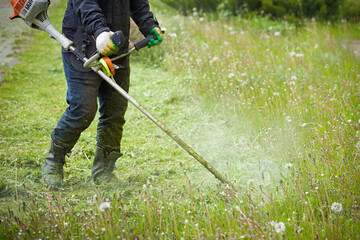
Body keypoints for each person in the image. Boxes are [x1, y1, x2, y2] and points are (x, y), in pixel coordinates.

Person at [42, 0, 163, 188]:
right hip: (83, 45)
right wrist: (100, 32)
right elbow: (85, 3)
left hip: (117, 45)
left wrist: (149, 25)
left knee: (115, 110)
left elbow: (138, 2)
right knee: (82, 110)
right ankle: (54, 162)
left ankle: (104, 171)